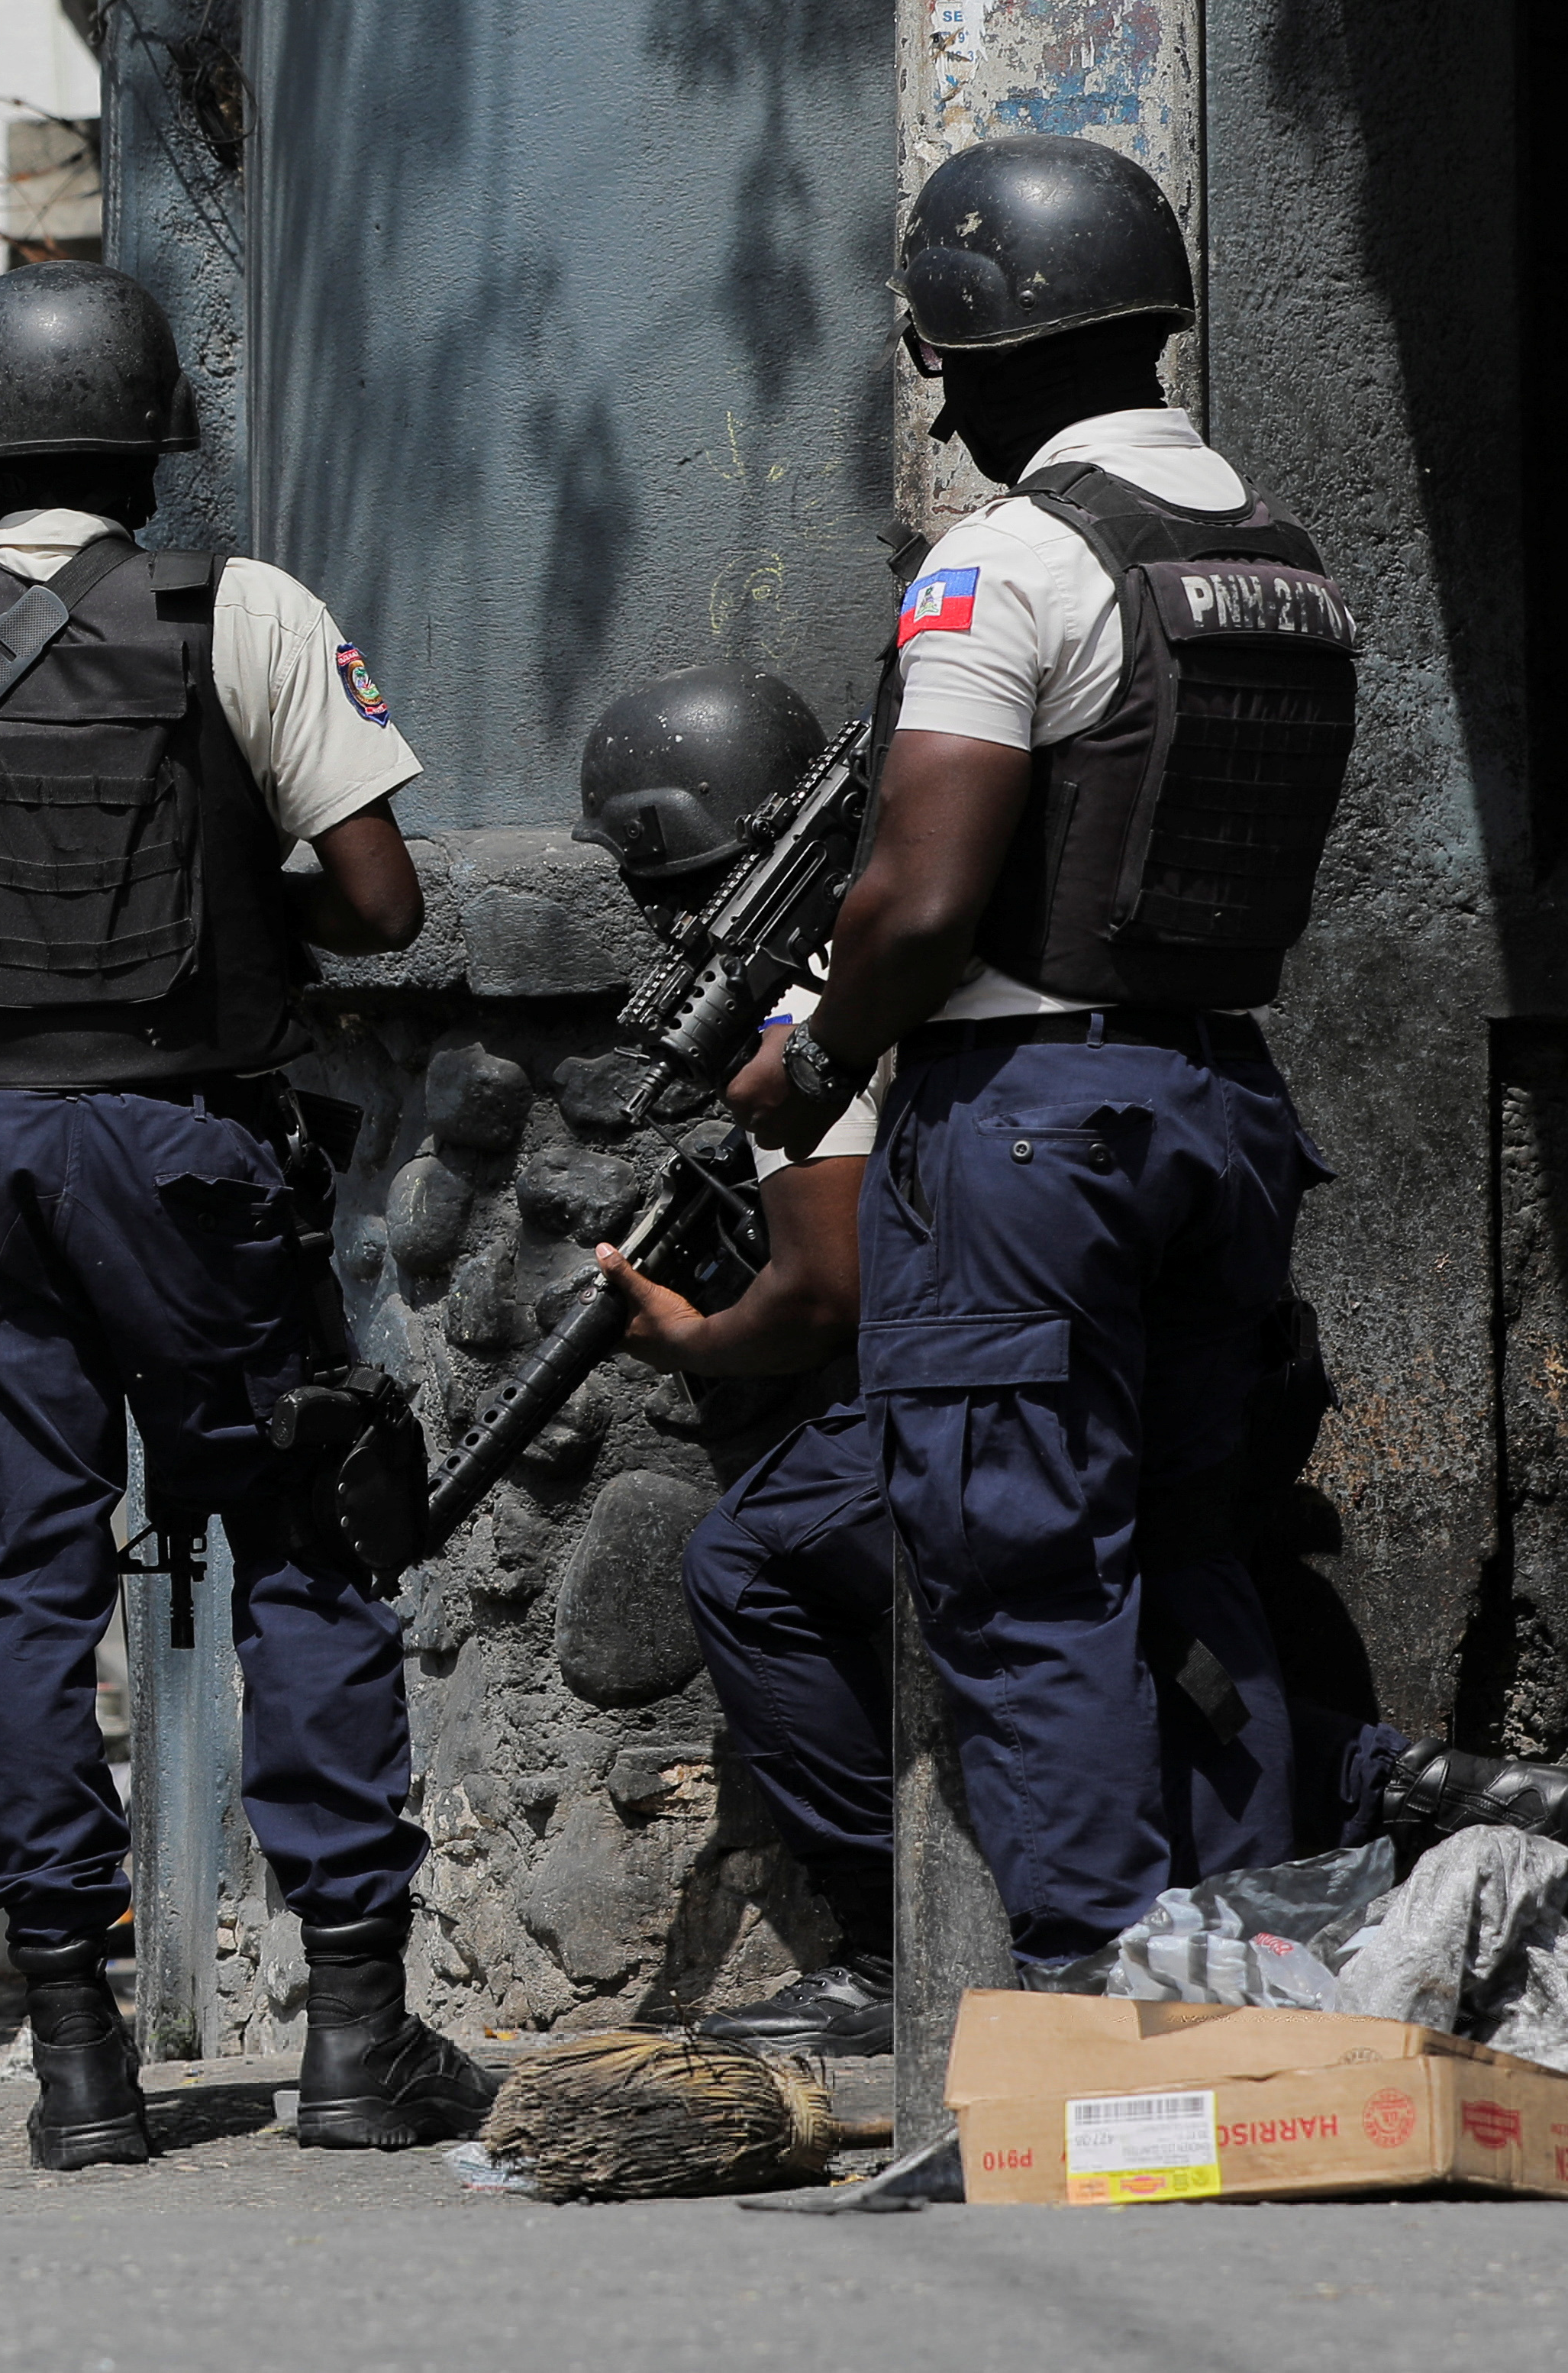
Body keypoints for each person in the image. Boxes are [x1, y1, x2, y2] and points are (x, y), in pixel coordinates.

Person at [724, 137, 1568, 1974]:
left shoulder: (1012, 560)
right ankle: (1253, 1986)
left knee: (1033, 1578)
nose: (943, 390)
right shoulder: (1280, 562)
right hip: (1220, 1102)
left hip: (1032, 1130)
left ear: (991, 344)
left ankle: (1105, 2013)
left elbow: (920, 898)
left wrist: (811, 1069)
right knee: (1197, 1556)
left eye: (943, 354)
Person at [0, 260, 494, 2168]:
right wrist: (248, 912)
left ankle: (78, 2067)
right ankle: (356, 2040)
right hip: (196, 1157)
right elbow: (384, 903)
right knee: (301, 1544)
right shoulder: (248, 614)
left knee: (22, 1589)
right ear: (154, 438)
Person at [570, 667, 897, 2055]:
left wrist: (690, 1331)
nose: (677, 928)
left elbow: (826, 1293)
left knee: (743, 1557)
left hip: (969, 1385)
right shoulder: (911, 919)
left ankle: (890, 1938)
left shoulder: (809, 992)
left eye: (683, 891)